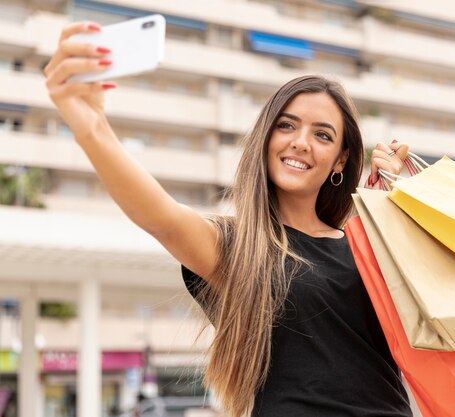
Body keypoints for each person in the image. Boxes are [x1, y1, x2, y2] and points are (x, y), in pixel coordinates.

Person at [44, 20, 412, 417]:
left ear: (341, 158)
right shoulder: (239, 246)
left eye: (323, 135)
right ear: (266, 137)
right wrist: (90, 125)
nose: (300, 142)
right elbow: (160, 216)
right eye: (286, 125)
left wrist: (393, 214)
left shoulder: (366, 245)